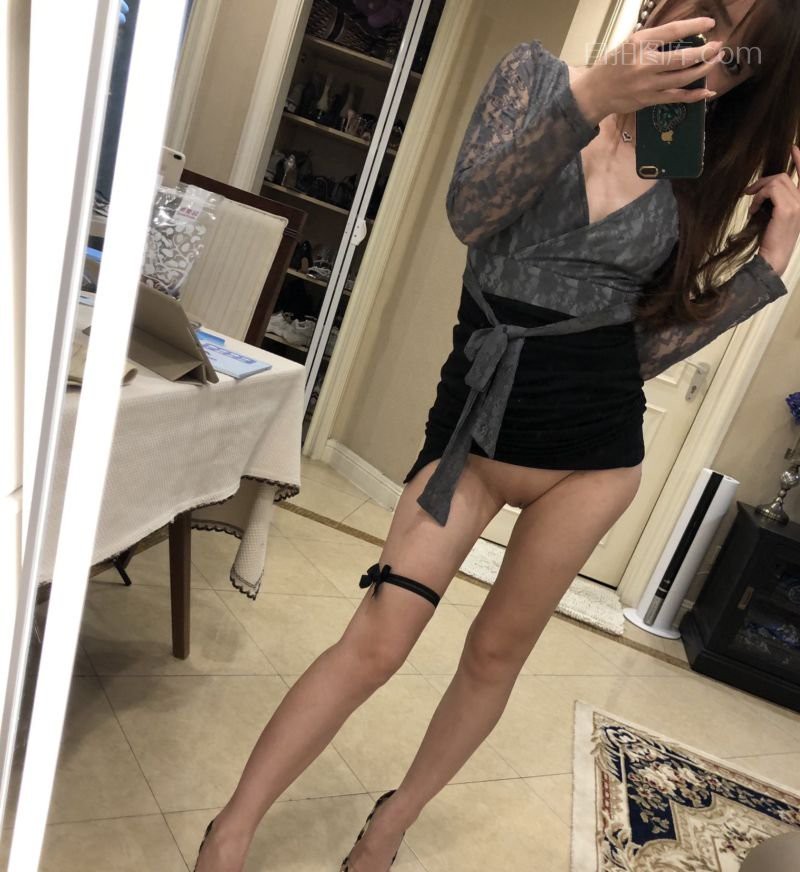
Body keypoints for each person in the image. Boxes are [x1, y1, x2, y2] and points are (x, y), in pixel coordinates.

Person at [195, 3, 800, 870]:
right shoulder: (539, 78)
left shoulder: (680, 155)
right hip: (471, 440)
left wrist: (767, 267)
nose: (710, 58)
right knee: (377, 640)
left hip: (592, 456)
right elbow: (472, 213)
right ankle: (232, 828)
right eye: (711, 23)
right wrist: (594, 96)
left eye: (739, 56)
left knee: (494, 656)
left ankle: (392, 823)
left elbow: (640, 350)